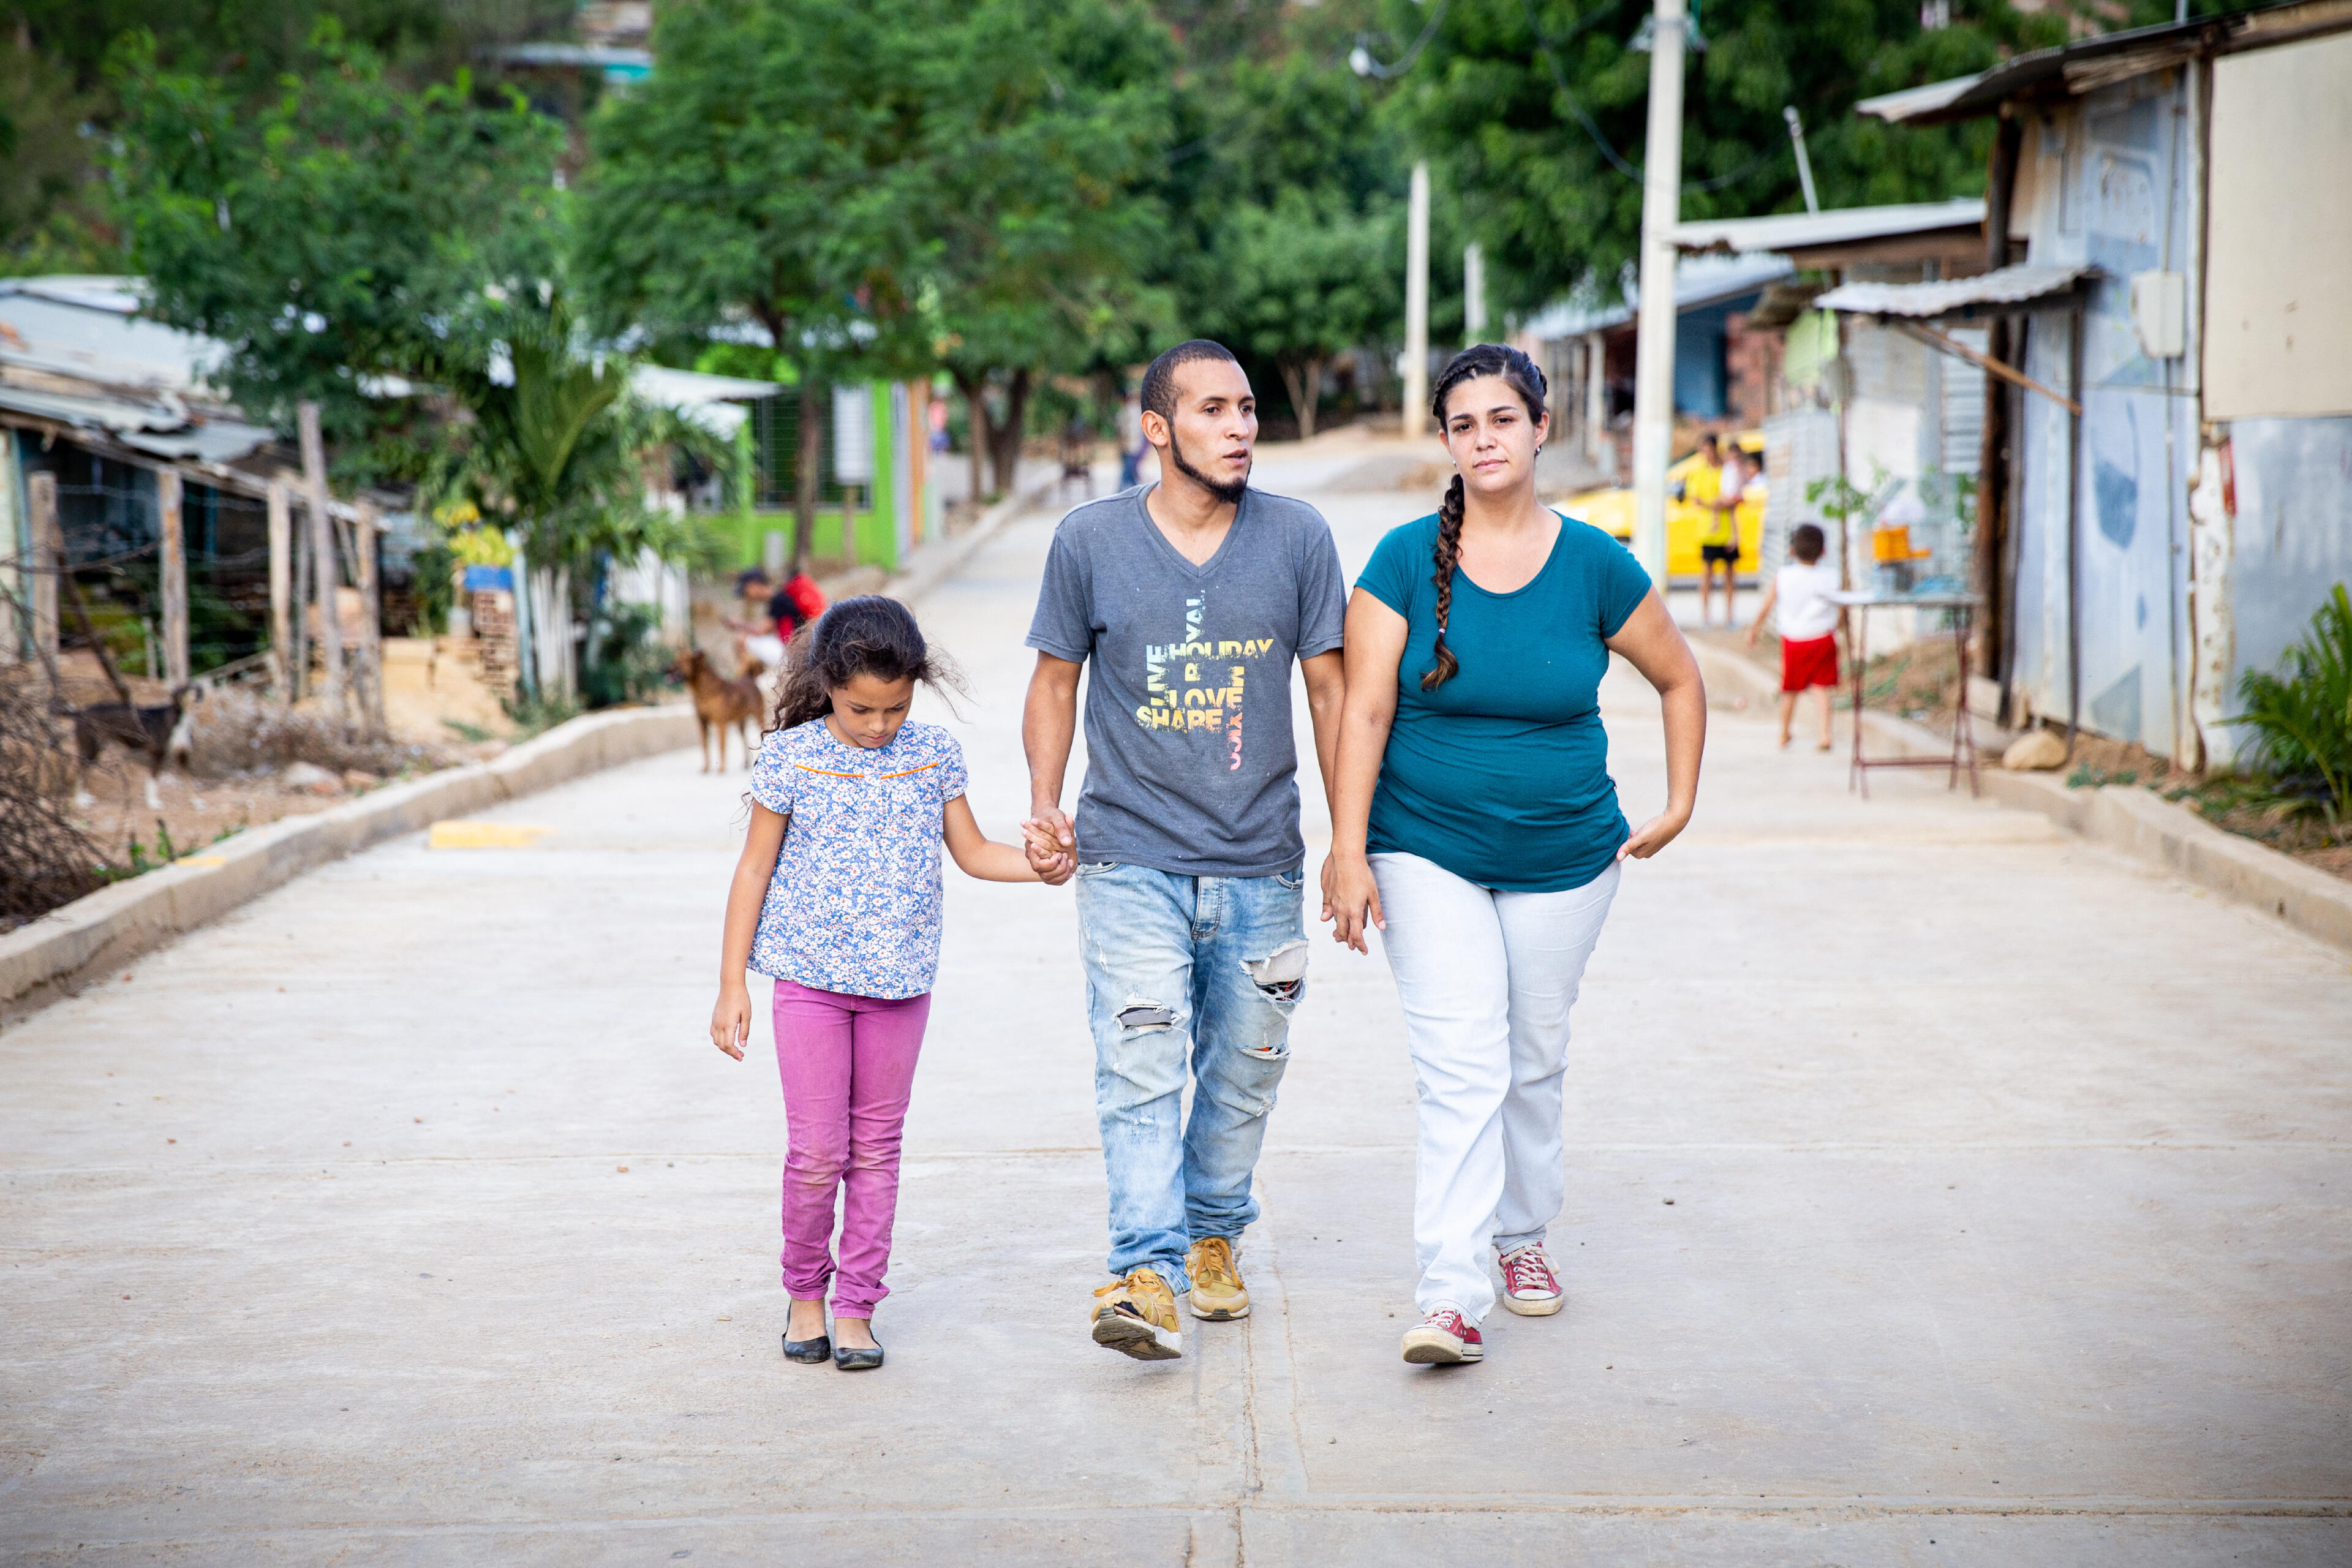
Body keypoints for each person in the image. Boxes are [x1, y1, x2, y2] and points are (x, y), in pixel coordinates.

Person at [1323, 344, 1706, 1368]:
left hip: (1568, 854)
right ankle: (1451, 1297)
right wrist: (1347, 850)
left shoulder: (1597, 565)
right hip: (1424, 844)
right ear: (1446, 442)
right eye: (1464, 424)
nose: (1484, 438)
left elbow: (1679, 678)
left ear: (1541, 429)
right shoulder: (1405, 558)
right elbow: (1363, 709)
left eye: (1503, 419)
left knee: (1532, 1059)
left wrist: (1678, 803)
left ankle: (1523, 1235)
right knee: (1462, 1066)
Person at [1020, 339, 1347, 1362]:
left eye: (1248, 407)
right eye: (1213, 409)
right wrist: (1043, 805)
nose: (1241, 426)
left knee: (1248, 1070)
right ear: (1157, 429)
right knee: (1141, 1065)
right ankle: (1147, 1274)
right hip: (1129, 858)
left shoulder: (1298, 538)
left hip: (1263, 860)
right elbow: (1055, 682)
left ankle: (1213, 1239)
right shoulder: (1089, 541)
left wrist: (1352, 843)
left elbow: (1331, 692)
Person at [707, 596, 1045, 1372]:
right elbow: (753, 868)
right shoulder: (793, 757)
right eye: (861, 707)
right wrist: (733, 984)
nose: (877, 725)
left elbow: (975, 852)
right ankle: (805, 1294)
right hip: (809, 987)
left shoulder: (931, 755)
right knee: (818, 1151)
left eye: (895, 707)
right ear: (828, 683)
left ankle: (858, 1305)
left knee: (877, 1151)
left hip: (900, 988)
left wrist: (1047, 864)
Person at [1747, 522, 1843, 750]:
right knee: (1821, 688)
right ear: (1823, 551)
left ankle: (1784, 732)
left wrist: (1754, 630)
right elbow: (1842, 609)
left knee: (1790, 688)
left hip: (1794, 641)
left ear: (1792, 550)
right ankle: (1824, 734)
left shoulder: (1783, 575)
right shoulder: (1831, 576)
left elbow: (1766, 607)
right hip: (1823, 638)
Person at [1691, 434, 1740, 629]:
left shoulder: (1727, 470)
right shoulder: (1699, 473)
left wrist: (1716, 504)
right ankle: (1706, 617)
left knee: (1729, 577)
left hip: (1727, 530)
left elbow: (1733, 498)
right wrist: (1718, 505)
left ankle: (1730, 617)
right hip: (1708, 531)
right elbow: (1697, 500)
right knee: (1707, 576)